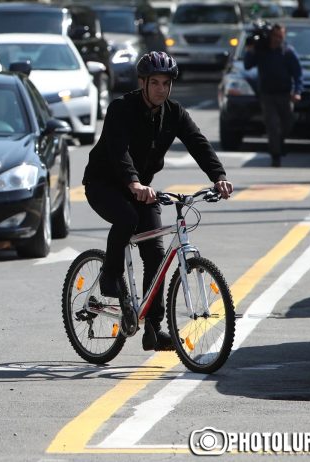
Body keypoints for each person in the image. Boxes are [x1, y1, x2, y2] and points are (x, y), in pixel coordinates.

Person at [82, 52, 233, 352]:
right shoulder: (121, 109)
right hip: (105, 184)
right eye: (155, 83)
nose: (161, 89)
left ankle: (153, 327)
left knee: (156, 255)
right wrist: (133, 182)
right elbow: (119, 151)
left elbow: (198, 143)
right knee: (126, 218)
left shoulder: (174, 113)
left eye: (166, 83)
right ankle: (109, 277)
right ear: (142, 83)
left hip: (142, 188)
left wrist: (219, 177)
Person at [243, 23, 302, 168]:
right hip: (267, 95)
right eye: (275, 35)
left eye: (280, 36)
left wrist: (297, 91)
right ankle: (276, 156)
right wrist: (250, 50)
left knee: (287, 124)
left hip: (284, 95)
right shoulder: (261, 50)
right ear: (270, 35)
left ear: (284, 36)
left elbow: (298, 74)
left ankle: (279, 144)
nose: (277, 39)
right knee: (273, 126)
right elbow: (247, 65)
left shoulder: (288, 52)